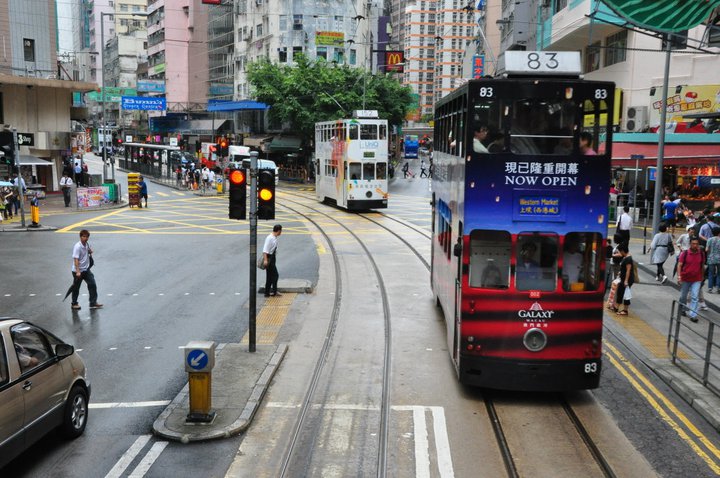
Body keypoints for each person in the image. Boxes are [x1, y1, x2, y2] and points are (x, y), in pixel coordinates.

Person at [70, 229, 102, 310]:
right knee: (76, 288)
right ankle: (74, 303)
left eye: (87, 237)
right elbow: (76, 259)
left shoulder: (87, 244)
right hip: (78, 271)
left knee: (92, 284)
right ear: (80, 237)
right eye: (84, 236)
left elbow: (87, 251)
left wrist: (90, 251)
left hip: (86, 270)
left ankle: (93, 302)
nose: (85, 238)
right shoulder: (77, 246)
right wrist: (77, 271)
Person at [677, 237, 705, 322]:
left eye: (697, 244)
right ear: (690, 244)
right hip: (685, 278)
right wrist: (679, 277)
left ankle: (693, 315)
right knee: (683, 296)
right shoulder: (685, 253)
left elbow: (702, 265)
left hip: (696, 279)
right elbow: (679, 265)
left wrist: (702, 277)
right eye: (693, 244)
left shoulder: (701, 254)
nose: (695, 245)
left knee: (694, 297)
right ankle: (682, 309)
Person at [613, 243, 634, 315]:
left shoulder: (628, 258)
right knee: (620, 292)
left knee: (625, 294)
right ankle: (616, 307)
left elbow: (628, 270)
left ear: (622, 251)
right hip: (623, 278)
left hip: (627, 280)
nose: (619, 253)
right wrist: (620, 272)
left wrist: (626, 281)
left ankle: (625, 310)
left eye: (619, 251)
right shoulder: (625, 257)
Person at [262, 224, 283, 297]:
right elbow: (265, 250)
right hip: (269, 258)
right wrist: (265, 260)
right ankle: (274, 291)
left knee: (270, 276)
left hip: (272, 258)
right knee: (275, 275)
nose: (281, 233)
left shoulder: (274, 237)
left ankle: (267, 293)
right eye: (281, 231)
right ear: (279, 231)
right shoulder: (270, 238)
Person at [706, 227, 720, 293]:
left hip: (711, 259)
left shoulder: (709, 240)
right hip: (719, 259)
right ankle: (718, 287)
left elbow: (706, 250)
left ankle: (710, 288)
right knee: (719, 273)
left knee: (711, 273)